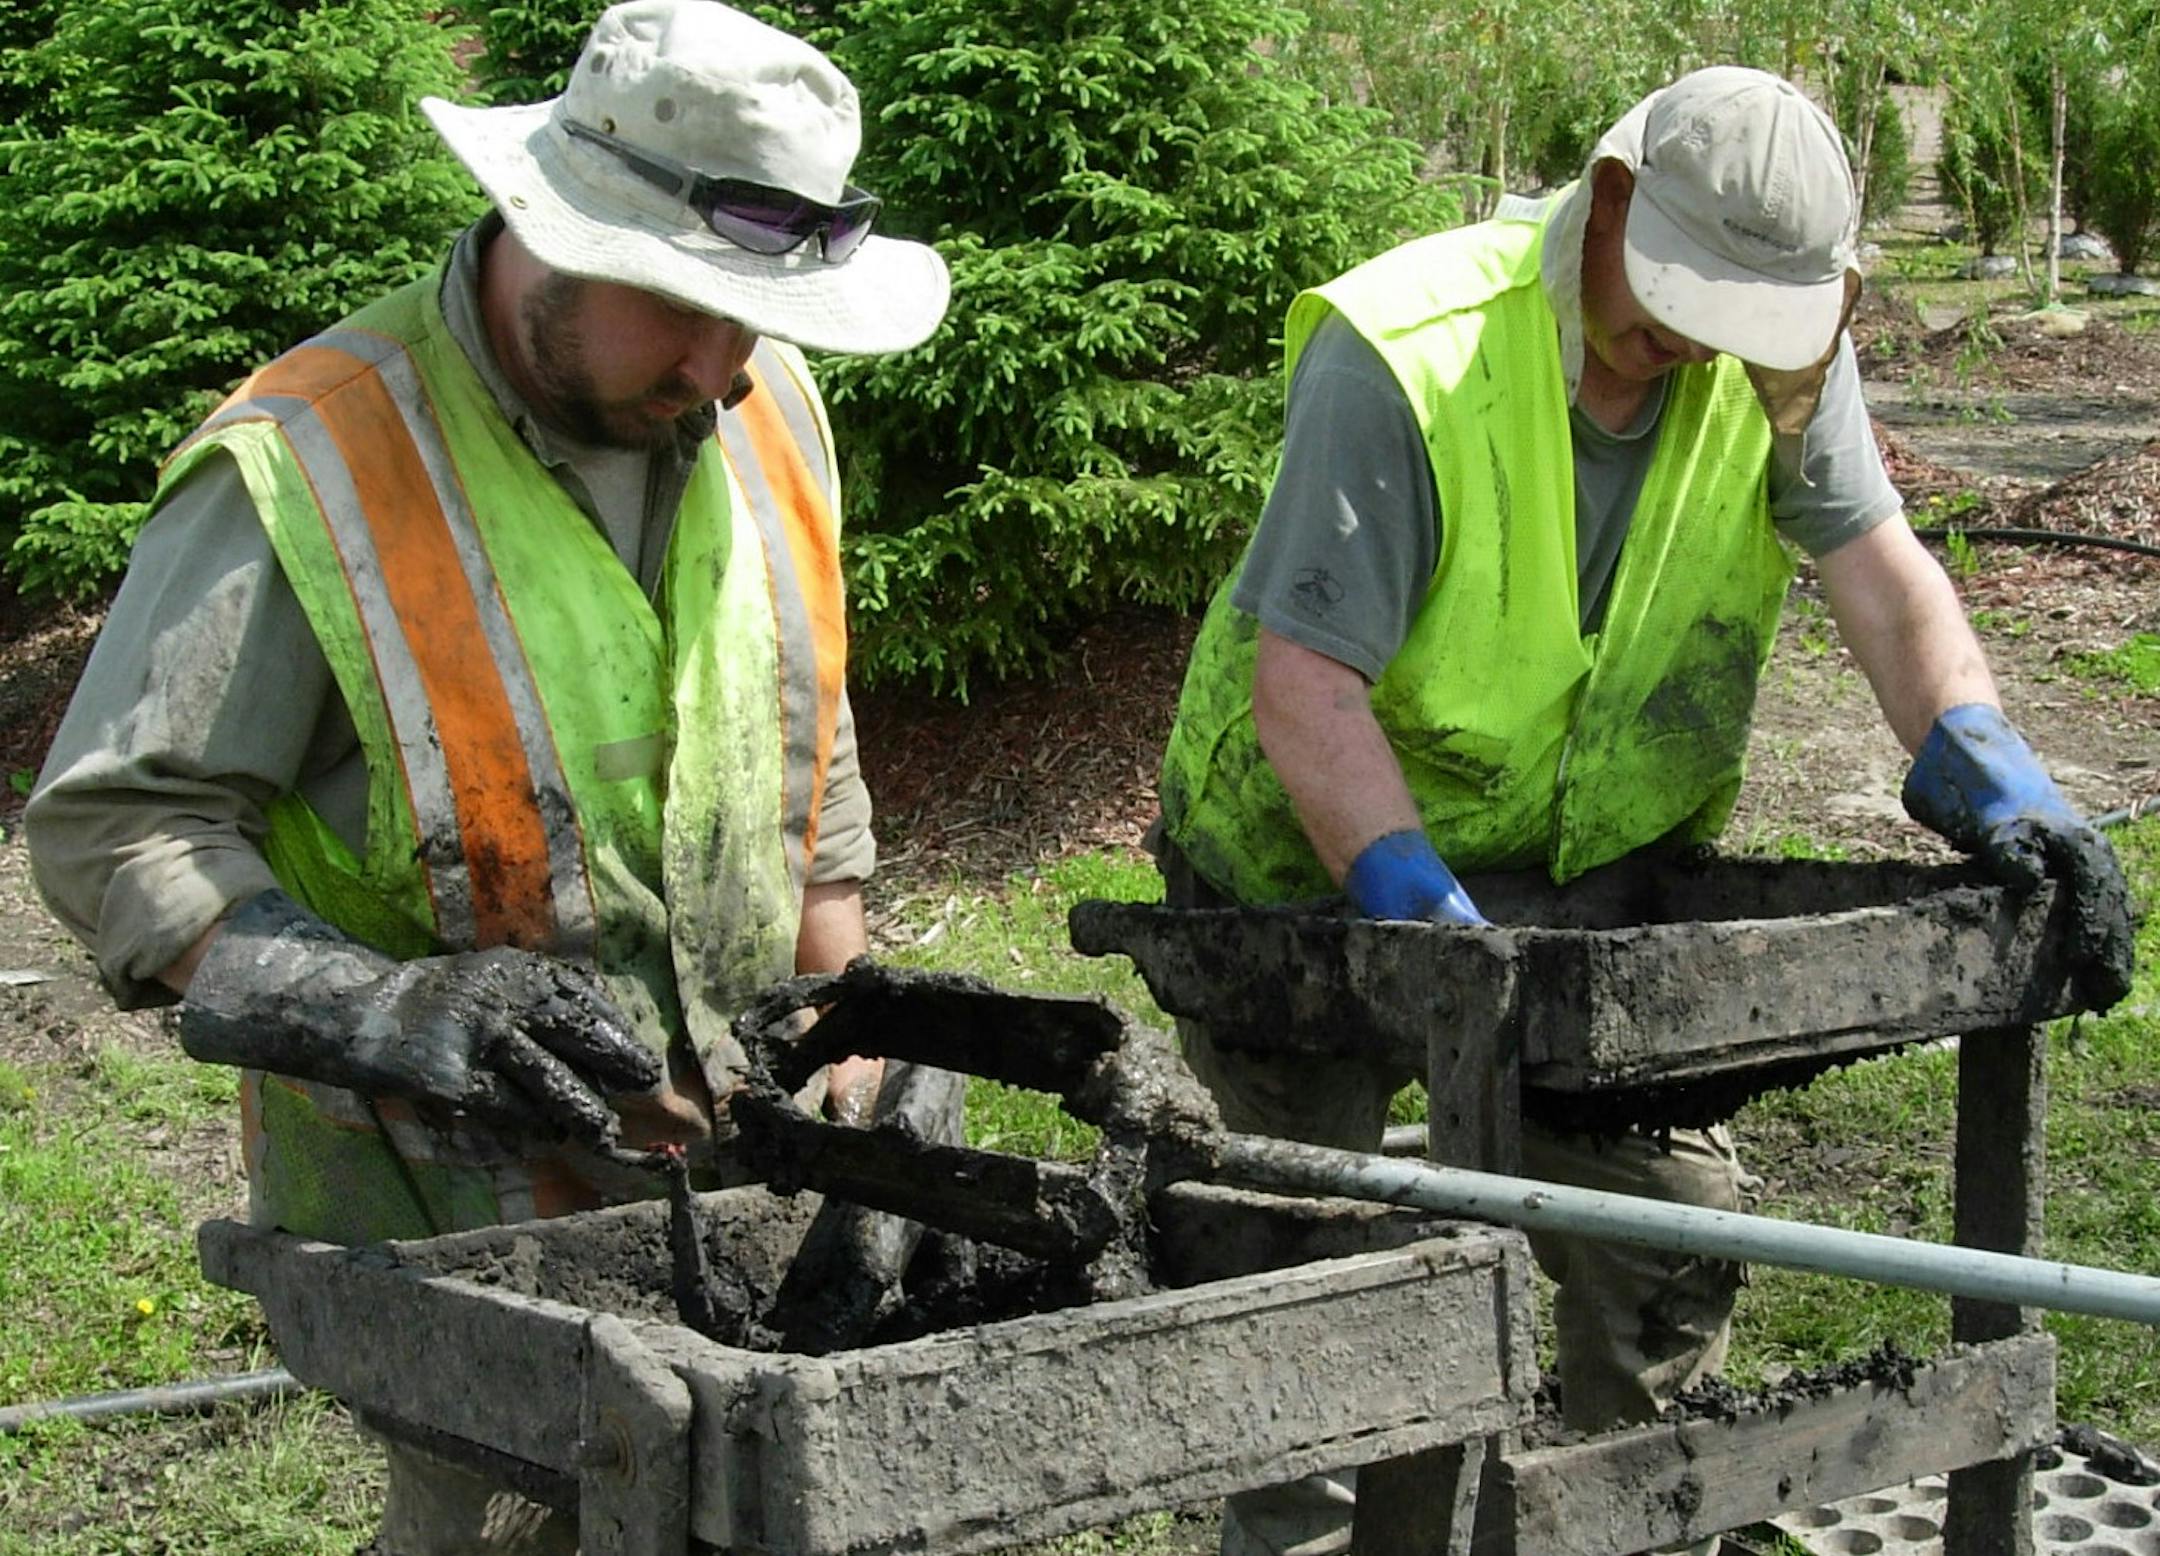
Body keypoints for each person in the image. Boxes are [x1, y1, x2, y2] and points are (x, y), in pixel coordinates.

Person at [1152, 65, 2134, 1556]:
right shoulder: (1407, 352)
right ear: (1612, 200)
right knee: (1318, 1294)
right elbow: (1308, 694)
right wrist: (1429, 936)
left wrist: (1993, 770)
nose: (1691, 351)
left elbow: (1878, 573)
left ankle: (1636, 1517)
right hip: (1306, 872)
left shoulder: (1780, 354)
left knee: (1662, 1235)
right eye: (1675, 306)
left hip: (1591, 885)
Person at [25, 1, 948, 1549]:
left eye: (755, 319)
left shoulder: (764, 399)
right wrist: (389, 1012)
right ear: (559, 228)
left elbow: (805, 737)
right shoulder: (315, 457)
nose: (721, 369)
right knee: (482, 1510)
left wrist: (847, 1016)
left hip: (720, 1140)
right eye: (681, 309)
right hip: (438, 1191)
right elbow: (119, 829)